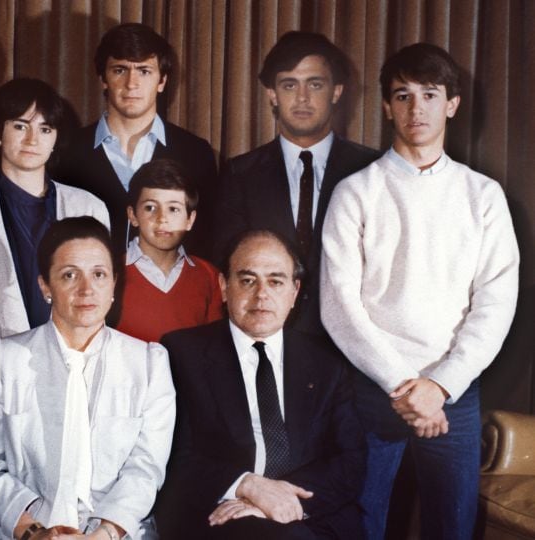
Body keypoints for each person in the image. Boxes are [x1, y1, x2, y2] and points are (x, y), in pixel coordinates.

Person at [320, 43, 519, 539]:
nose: (417, 109)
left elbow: (496, 302)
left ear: (451, 103)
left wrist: (440, 386)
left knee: (451, 527)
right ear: (387, 106)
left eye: (430, 94)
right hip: (374, 390)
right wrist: (404, 387)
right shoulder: (356, 192)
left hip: (453, 390)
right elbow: (338, 305)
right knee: (359, 523)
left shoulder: (483, 196)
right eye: (402, 96)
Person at [0, 216, 175, 540]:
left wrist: (102, 535)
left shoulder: (149, 364)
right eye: (69, 275)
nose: (86, 289)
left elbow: (145, 471)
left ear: (113, 285)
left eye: (99, 274)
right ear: (45, 287)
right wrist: (32, 531)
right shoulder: (1, 360)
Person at [156, 230, 366, 539]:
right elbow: (174, 457)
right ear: (224, 286)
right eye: (247, 280)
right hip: (222, 512)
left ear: (294, 292)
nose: (261, 295)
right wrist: (248, 485)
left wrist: (276, 502)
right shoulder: (182, 354)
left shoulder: (326, 363)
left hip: (311, 512)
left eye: (275, 281)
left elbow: (350, 459)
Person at [215, 31, 379, 337]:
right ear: (272, 94)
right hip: (269, 343)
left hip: (354, 344)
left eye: (315, 84)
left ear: (337, 91)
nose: (302, 98)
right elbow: (231, 268)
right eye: (289, 85)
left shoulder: (372, 170)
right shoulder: (239, 174)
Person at [0, 78, 109, 339]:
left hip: (72, 353)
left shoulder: (88, 207)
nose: (33, 140)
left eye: (45, 129)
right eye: (21, 126)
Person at [53, 22, 217, 258]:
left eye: (144, 71)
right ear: (103, 79)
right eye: (120, 70)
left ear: (162, 81)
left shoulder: (195, 152)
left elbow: (206, 240)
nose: (131, 83)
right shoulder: (67, 151)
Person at [114, 159, 223, 342]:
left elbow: (214, 347)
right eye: (150, 208)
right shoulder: (111, 272)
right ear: (133, 215)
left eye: (173, 209)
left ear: (190, 219)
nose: (162, 218)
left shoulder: (209, 276)